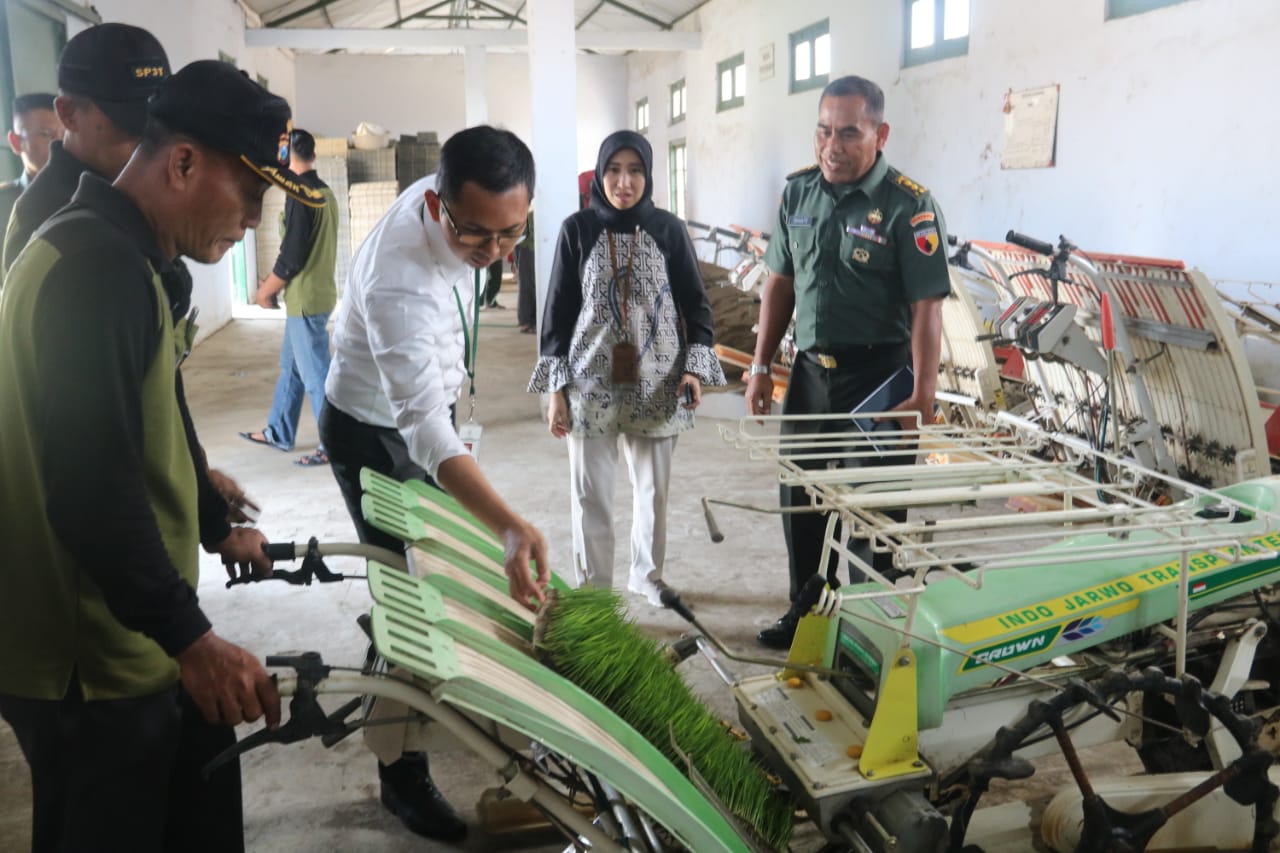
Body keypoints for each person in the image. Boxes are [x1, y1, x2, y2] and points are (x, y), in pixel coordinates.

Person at [0, 58, 328, 851]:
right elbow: (89, 489)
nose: (253, 220)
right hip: (88, 661)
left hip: (123, 635)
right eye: (249, 194)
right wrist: (193, 638)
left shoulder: (124, 255)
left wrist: (213, 521)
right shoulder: (94, 271)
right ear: (182, 162)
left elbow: (158, 408)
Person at [319, 124, 550, 842]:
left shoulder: (459, 200)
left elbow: (434, 414)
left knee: (439, 577)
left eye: (514, 232)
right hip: (371, 429)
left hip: (425, 413)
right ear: (438, 206)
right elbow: (421, 428)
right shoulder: (400, 280)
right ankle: (401, 774)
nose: (498, 252)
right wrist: (510, 524)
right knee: (411, 600)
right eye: (478, 236)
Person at [745, 75, 951, 650]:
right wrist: (762, 365)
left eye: (848, 133)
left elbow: (927, 308)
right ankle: (805, 613)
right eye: (823, 131)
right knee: (800, 501)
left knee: (874, 513)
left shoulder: (909, 206)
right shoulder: (798, 194)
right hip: (810, 374)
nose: (831, 146)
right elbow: (779, 285)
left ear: (880, 135)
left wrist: (924, 395)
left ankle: (868, 630)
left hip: (881, 379)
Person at [529, 130, 725, 606]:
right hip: (588, 382)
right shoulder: (578, 229)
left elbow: (697, 307)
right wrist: (555, 390)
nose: (624, 182)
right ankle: (594, 592)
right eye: (614, 170)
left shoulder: (668, 229)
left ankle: (646, 576)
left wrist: (694, 369)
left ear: (649, 175)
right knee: (590, 496)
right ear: (600, 173)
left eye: (635, 170)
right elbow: (556, 313)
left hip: (657, 382)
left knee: (653, 492)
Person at [3, 23, 168, 274]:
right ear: (68, 114)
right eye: (129, 126)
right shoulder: (46, 218)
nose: (147, 146)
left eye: (158, 129)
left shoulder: (120, 191)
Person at [240, 128, 336, 467]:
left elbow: (292, 255)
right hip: (314, 294)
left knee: (315, 377)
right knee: (292, 369)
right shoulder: (325, 192)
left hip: (306, 301)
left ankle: (333, 446)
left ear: (287, 156)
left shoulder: (301, 195)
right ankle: (278, 431)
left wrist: (266, 290)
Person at [0, 93, 62, 235]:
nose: (60, 144)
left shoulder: (84, 195)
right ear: (16, 142)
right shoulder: (3, 203)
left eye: (65, 135)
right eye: (46, 135)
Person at [515, 210, 536, 332]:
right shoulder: (528, 211)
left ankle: (533, 320)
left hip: (534, 245)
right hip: (527, 246)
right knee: (527, 283)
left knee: (534, 284)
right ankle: (526, 320)